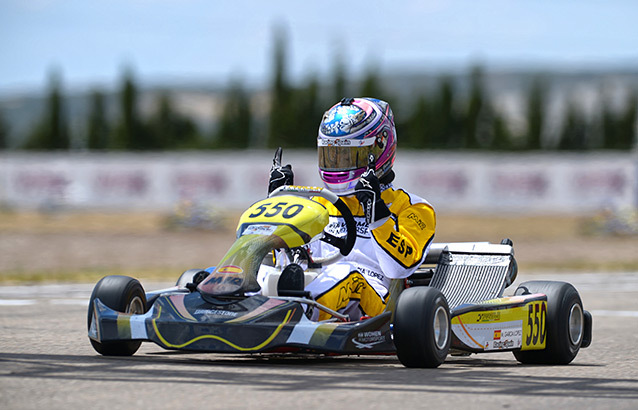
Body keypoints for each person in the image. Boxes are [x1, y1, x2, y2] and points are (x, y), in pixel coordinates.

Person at [265, 97, 436, 321]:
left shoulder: (413, 207)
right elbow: (286, 262)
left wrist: (377, 215)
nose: (339, 164)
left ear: (378, 149)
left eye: (348, 155)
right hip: (314, 285)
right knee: (262, 271)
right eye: (332, 155)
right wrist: (278, 207)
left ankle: (292, 317)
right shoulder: (320, 203)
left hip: (378, 303)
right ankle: (227, 305)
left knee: (345, 273)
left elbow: (398, 269)